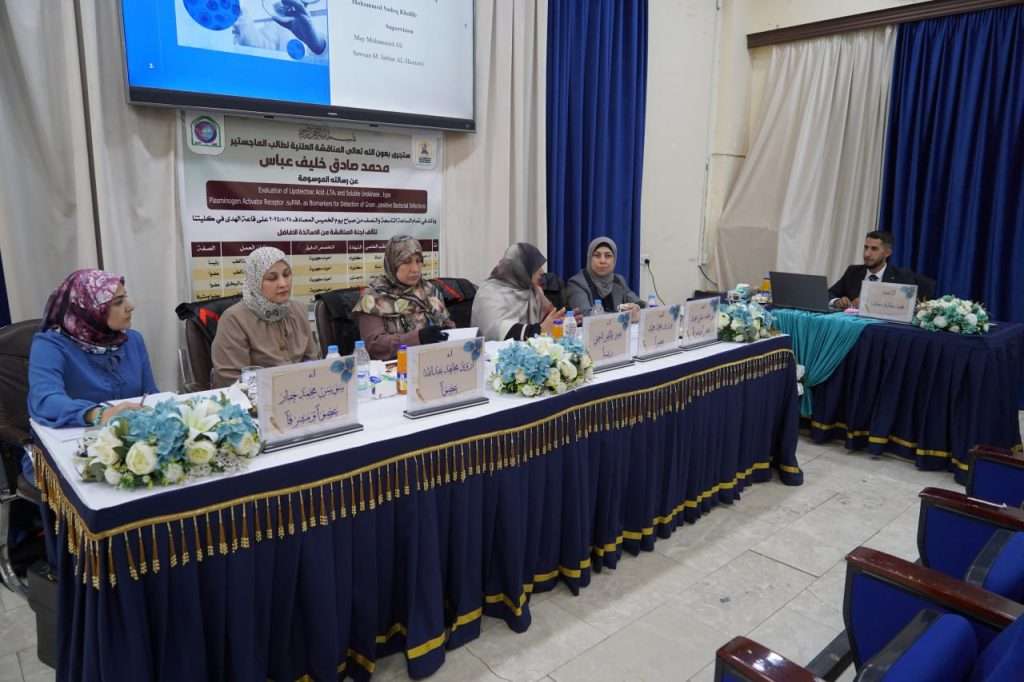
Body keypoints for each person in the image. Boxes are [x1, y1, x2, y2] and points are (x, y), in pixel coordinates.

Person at [28, 269, 158, 429]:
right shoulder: (50, 345)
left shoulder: (133, 340)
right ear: (88, 308)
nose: (130, 306)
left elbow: (151, 395)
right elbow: (45, 401)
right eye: (118, 302)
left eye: (126, 297)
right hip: (76, 436)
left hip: (130, 434)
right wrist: (99, 414)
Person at [211, 246, 320, 387]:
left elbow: (312, 361)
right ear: (255, 281)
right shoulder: (234, 319)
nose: (283, 284)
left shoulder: (298, 310)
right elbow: (231, 380)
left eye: (286, 275)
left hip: (301, 392)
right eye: (272, 278)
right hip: (257, 397)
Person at [351, 235, 454, 360]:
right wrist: (418, 338)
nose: (415, 269)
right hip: (395, 366)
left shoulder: (428, 290)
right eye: (406, 262)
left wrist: (449, 331)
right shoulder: (373, 298)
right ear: (393, 263)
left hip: (434, 361)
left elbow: (448, 324)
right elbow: (373, 345)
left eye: (418, 261)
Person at [472, 243, 565, 341]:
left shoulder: (532, 289)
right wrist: (539, 330)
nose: (542, 272)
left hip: (530, 348)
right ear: (520, 268)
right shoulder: (489, 292)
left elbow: (551, 317)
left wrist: (566, 319)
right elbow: (495, 332)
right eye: (536, 267)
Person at [829, 231, 918, 309]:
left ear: (887, 253)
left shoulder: (902, 276)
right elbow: (828, 294)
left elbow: (911, 306)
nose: (867, 254)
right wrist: (837, 301)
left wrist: (872, 305)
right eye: (866, 247)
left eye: (874, 249)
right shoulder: (853, 271)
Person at [565, 237, 644, 319]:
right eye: (597, 255)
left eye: (608, 256)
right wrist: (624, 316)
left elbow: (638, 302)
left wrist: (637, 307)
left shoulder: (618, 280)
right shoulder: (576, 283)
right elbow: (586, 314)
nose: (602, 261)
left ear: (614, 260)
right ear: (589, 258)